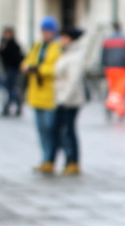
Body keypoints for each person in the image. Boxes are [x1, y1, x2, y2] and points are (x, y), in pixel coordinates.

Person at [23, 18, 66, 173]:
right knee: (41, 129)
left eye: (48, 30)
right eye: (43, 30)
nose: (45, 33)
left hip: (51, 95)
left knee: (51, 128)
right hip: (36, 94)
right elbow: (27, 62)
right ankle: (45, 158)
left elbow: (57, 68)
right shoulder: (38, 46)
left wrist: (39, 69)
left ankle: (52, 158)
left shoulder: (58, 47)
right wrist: (28, 67)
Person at [52, 28, 86, 174]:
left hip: (69, 100)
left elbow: (72, 81)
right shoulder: (67, 53)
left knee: (68, 130)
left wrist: (63, 100)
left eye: (63, 37)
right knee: (64, 130)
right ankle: (68, 160)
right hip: (61, 97)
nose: (60, 40)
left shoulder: (75, 56)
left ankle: (73, 161)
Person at [101, 27, 125, 119]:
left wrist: (104, 65)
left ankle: (119, 109)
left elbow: (103, 55)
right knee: (120, 90)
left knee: (113, 89)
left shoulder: (107, 40)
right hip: (122, 68)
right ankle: (112, 104)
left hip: (110, 68)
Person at [0, 29, 25, 116]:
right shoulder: (4, 43)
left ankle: (8, 107)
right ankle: (16, 105)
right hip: (8, 69)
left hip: (13, 69)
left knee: (11, 89)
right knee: (11, 89)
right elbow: (1, 54)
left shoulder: (13, 44)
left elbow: (16, 57)